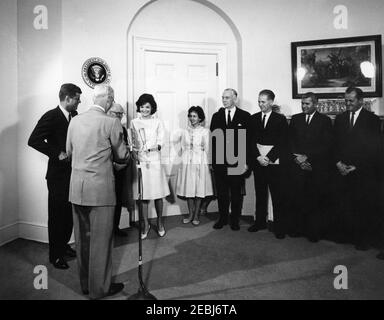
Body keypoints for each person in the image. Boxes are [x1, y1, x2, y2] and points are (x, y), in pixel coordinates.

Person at [66, 84, 130, 299]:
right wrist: (123, 158)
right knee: (101, 242)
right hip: (100, 191)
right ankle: (99, 289)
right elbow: (122, 156)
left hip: (77, 189)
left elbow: (69, 152)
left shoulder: (74, 121)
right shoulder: (111, 122)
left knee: (82, 240)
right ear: (109, 99)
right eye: (112, 99)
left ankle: (86, 284)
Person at [28, 83, 81, 269]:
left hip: (74, 173)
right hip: (57, 176)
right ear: (67, 98)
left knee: (68, 214)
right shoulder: (50, 116)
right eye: (77, 98)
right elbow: (33, 140)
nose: (79, 102)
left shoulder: (75, 116)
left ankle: (64, 245)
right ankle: (55, 255)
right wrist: (56, 153)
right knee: (57, 216)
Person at [334, 86, 381, 250]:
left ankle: (362, 239)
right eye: (346, 100)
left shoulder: (372, 120)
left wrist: (357, 166)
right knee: (344, 204)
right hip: (342, 170)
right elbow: (334, 145)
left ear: (361, 101)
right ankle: (347, 236)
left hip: (362, 171)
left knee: (362, 206)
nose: (348, 104)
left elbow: (374, 149)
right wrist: (338, 163)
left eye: (351, 101)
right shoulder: (339, 119)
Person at [288, 92, 333, 242]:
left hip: (316, 167)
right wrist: (299, 159)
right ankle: (298, 229)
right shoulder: (295, 119)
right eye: (302, 103)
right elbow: (291, 141)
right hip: (297, 166)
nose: (304, 106)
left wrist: (308, 157)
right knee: (298, 199)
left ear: (315, 104)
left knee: (314, 201)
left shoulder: (324, 121)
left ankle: (313, 232)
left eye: (307, 104)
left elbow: (326, 145)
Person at [248, 89, 289, 239]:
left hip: (274, 163)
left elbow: (283, 142)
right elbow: (250, 141)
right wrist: (258, 157)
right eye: (259, 101)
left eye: (263, 101)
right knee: (260, 194)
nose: (260, 104)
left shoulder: (280, 119)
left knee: (277, 195)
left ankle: (279, 226)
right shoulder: (253, 119)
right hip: (259, 162)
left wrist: (268, 158)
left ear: (271, 102)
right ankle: (259, 222)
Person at [210, 88, 251, 231]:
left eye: (227, 97)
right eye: (223, 97)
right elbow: (213, 141)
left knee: (235, 193)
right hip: (220, 161)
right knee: (221, 193)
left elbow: (248, 142)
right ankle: (222, 218)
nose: (224, 100)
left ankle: (234, 220)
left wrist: (246, 162)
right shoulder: (216, 116)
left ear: (235, 99)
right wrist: (213, 162)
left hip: (238, 160)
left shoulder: (245, 116)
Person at [130, 94, 170, 239]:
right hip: (141, 161)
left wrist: (154, 147)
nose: (144, 109)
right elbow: (132, 141)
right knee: (143, 196)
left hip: (154, 161)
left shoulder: (158, 122)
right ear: (139, 107)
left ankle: (159, 222)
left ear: (152, 108)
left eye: (147, 106)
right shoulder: (134, 122)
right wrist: (134, 151)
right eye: (142, 106)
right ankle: (145, 224)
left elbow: (161, 139)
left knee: (158, 195)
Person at [176, 106, 214, 225]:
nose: (192, 118)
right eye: (190, 116)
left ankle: (197, 214)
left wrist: (209, 163)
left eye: (195, 116)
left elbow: (208, 149)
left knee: (199, 189)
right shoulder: (184, 131)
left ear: (200, 118)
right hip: (187, 162)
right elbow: (183, 147)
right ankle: (190, 214)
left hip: (200, 161)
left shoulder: (205, 131)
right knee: (189, 189)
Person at [107, 103, 129, 237]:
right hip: (107, 170)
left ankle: (115, 228)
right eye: (117, 113)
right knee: (107, 201)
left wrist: (124, 163)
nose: (120, 116)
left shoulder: (123, 129)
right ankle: (107, 231)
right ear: (109, 113)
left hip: (121, 170)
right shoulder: (104, 126)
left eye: (121, 114)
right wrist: (113, 163)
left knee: (118, 200)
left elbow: (124, 148)